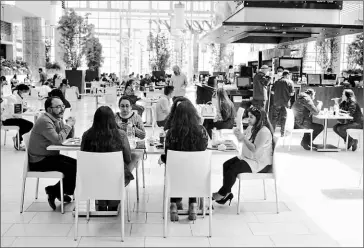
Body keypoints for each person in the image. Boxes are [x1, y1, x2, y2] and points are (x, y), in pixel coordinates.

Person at [212, 107, 274, 205]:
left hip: (260, 164)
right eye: (248, 116)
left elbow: (254, 148)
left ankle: (222, 193)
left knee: (233, 169)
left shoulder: (264, 131)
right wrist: (238, 135)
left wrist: (243, 138)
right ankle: (227, 193)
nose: (248, 119)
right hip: (249, 158)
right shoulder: (251, 128)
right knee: (226, 164)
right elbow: (242, 140)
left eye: (251, 117)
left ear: (259, 118)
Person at [160, 100, 209, 221]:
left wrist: (161, 158)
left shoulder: (171, 133)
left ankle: (173, 205)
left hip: (176, 177)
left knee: (175, 170)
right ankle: (193, 204)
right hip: (196, 176)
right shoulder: (202, 131)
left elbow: (168, 156)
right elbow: (203, 151)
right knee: (193, 169)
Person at [81, 106, 137, 211]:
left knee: (98, 169)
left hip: (92, 178)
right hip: (116, 178)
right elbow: (128, 158)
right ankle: (113, 202)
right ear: (113, 119)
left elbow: (84, 156)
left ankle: (101, 202)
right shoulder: (120, 135)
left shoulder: (86, 135)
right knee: (134, 157)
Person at [28, 96, 76, 210]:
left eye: (62, 106)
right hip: (39, 160)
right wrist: (68, 125)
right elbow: (59, 140)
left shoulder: (56, 119)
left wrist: (70, 125)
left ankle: (57, 191)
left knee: (78, 165)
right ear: (49, 109)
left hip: (50, 156)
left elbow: (67, 137)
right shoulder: (44, 121)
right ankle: (55, 191)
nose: (62, 109)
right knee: (73, 169)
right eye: (58, 107)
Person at [1, 84, 33, 150]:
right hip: (7, 119)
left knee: (27, 124)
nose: (27, 93)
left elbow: (20, 109)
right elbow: (15, 112)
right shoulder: (13, 98)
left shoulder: (20, 97)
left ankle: (18, 139)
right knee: (29, 124)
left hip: (14, 118)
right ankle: (17, 140)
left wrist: (25, 109)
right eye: (25, 91)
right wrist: (23, 110)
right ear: (21, 91)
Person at [271, 70, 294, 137]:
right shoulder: (290, 82)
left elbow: (272, 92)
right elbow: (292, 94)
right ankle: (282, 134)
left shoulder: (277, 82)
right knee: (284, 118)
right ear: (287, 75)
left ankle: (272, 133)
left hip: (276, 102)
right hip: (285, 103)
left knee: (274, 118)